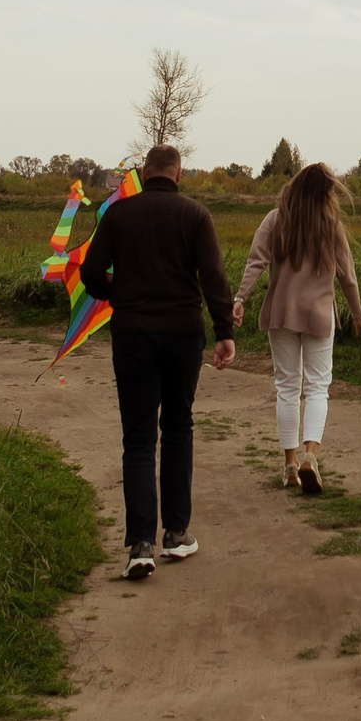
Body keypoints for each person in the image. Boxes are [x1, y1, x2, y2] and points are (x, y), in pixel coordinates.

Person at [78, 143, 236, 581]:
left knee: (138, 437)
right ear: (178, 174)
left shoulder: (118, 216)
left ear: (145, 173)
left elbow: (90, 273)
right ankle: (177, 533)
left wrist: (119, 292)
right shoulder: (196, 216)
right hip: (184, 333)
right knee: (179, 425)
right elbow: (214, 276)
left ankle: (140, 543)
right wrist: (225, 332)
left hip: (132, 333)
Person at [233, 161, 361, 495]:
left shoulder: (275, 219)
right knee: (318, 387)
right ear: (324, 193)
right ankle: (311, 455)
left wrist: (240, 298)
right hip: (320, 316)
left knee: (288, 387)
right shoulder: (331, 224)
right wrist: (358, 316)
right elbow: (347, 277)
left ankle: (290, 465)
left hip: (282, 314)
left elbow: (256, 262)